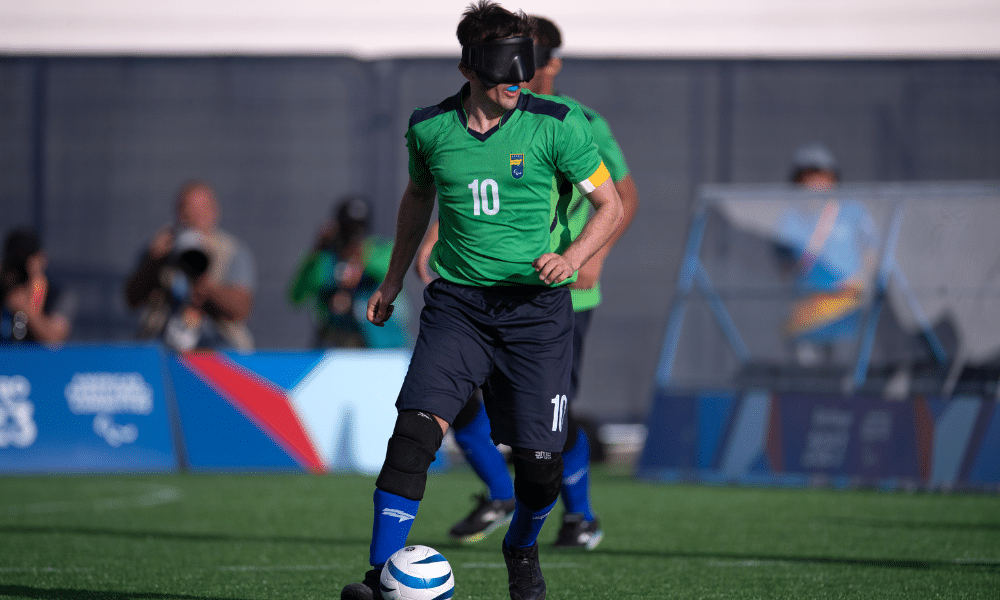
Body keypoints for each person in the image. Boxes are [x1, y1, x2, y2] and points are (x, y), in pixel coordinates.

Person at [340, 2, 623, 599]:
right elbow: (417, 201)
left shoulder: (559, 124)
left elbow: (612, 205)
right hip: (458, 308)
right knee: (414, 435)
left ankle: (520, 548)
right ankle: (378, 578)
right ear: (470, 69)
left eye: (525, 73)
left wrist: (572, 259)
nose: (518, 85)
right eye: (505, 76)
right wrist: (391, 281)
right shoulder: (429, 127)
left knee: (541, 467)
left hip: (538, 314)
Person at [414, 14, 640, 551]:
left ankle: (579, 516)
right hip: (478, 293)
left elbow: (621, 197)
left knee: (546, 424)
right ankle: (499, 492)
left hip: (558, 293)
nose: (514, 65)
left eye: (528, 54)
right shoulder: (467, 119)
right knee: (460, 399)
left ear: (551, 63)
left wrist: (591, 256)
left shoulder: (576, 121)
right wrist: (434, 238)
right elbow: (475, 188)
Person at [124, 180, 256, 352]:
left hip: (218, 343)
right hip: (161, 342)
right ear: (178, 211)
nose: (196, 215)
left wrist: (207, 287)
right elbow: (131, 300)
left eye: (203, 208)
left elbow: (240, 310)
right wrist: (154, 262)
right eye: (189, 209)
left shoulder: (232, 250)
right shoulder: (160, 246)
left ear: (215, 211)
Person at [776, 143, 876, 367]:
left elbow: (872, 254)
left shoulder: (853, 212)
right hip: (808, 315)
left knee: (848, 378)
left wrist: (860, 279)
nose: (815, 184)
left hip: (847, 311)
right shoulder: (787, 220)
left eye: (821, 176)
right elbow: (784, 268)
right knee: (807, 383)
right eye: (807, 177)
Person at [288, 194, 412, 349]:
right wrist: (317, 250)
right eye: (348, 229)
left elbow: (390, 270)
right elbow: (296, 297)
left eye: (359, 229)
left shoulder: (381, 251)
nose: (354, 236)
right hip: (335, 345)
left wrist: (360, 261)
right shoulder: (325, 260)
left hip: (383, 347)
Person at [1, 228, 74, 345]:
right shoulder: (5, 290)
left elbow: (55, 339)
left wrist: (27, 308)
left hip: (40, 361)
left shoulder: (56, 293)